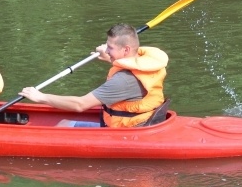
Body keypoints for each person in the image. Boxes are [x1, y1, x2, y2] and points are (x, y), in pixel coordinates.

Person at [19, 23, 168, 128]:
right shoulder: (147, 63)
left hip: (126, 131)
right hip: (144, 121)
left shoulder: (123, 81)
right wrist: (110, 58)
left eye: (110, 47)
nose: (106, 50)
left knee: (63, 125)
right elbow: (130, 69)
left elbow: (80, 105)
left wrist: (41, 97)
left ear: (126, 50)